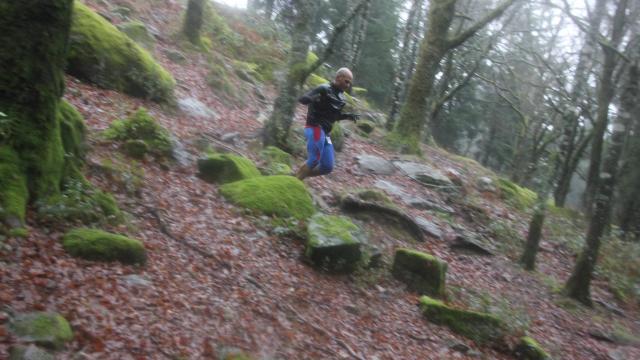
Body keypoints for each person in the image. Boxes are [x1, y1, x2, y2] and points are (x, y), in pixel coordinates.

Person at [295, 67, 359, 180]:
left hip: (326, 133)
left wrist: (347, 116)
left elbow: (335, 116)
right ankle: (295, 180)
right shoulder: (323, 88)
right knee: (314, 159)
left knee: (328, 166)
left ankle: (298, 176)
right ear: (339, 77)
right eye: (346, 81)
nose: (348, 85)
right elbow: (303, 99)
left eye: (350, 83)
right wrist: (312, 98)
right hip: (315, 127)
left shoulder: (342, 98)